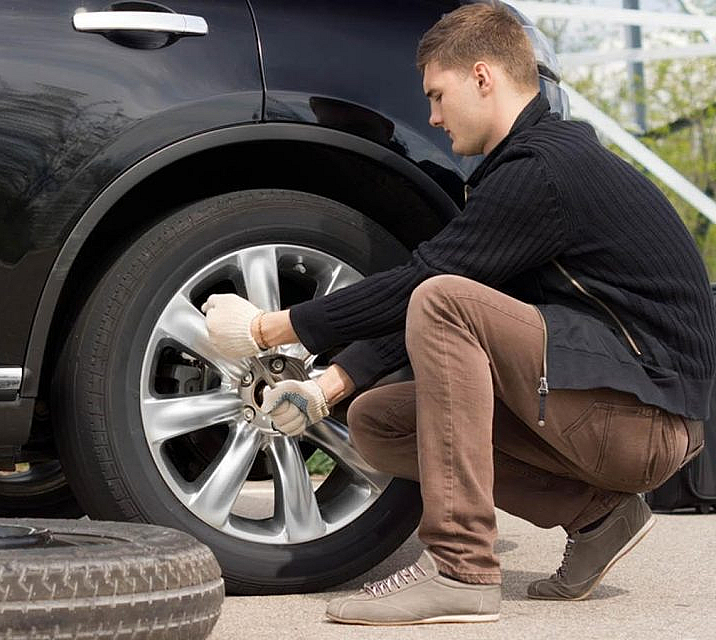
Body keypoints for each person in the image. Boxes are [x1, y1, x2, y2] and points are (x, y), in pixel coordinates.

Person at [200, 2, 712, 627]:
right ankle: (597, 515)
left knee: (441, 298)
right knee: (380, 422)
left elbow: (431, 288)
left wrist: (266, 328)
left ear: (482, 76)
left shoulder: (543, 172)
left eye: (438, 96)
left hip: (647, 420)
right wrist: (331, 385)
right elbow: (456, 287)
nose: (434, 117)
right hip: (617, 404)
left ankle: (461, 569)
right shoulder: (530, 167)